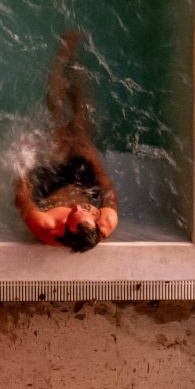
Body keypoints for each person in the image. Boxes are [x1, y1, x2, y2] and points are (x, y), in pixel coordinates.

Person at [14, 31, 119, 252]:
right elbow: (107, 191)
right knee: (80, 121)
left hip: (51, 184)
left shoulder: (46, 226)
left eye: (72, 213)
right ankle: (75, 62)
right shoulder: (105, 222)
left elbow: (22, 200)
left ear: (66, 229)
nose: (77, 207)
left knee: (57, 116)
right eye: (85, 210)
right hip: (84, 182)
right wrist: (94, 160)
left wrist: (23, 164)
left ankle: (60, 56)